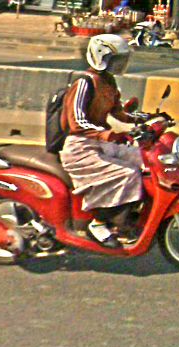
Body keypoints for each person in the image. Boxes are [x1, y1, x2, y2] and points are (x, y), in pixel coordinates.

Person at [59, 34, 143, 248]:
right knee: (127, 173)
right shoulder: (84, 83)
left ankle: (128, 216)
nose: (120, 65)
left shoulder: (109, 82)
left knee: (143, 161)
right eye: (116, 60)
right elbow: (77, 122)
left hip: (100, 144)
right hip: (80, 147)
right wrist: (107, 134)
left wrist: (145, 119)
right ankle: (98, 223)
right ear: (101, 57)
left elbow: (119, 113)